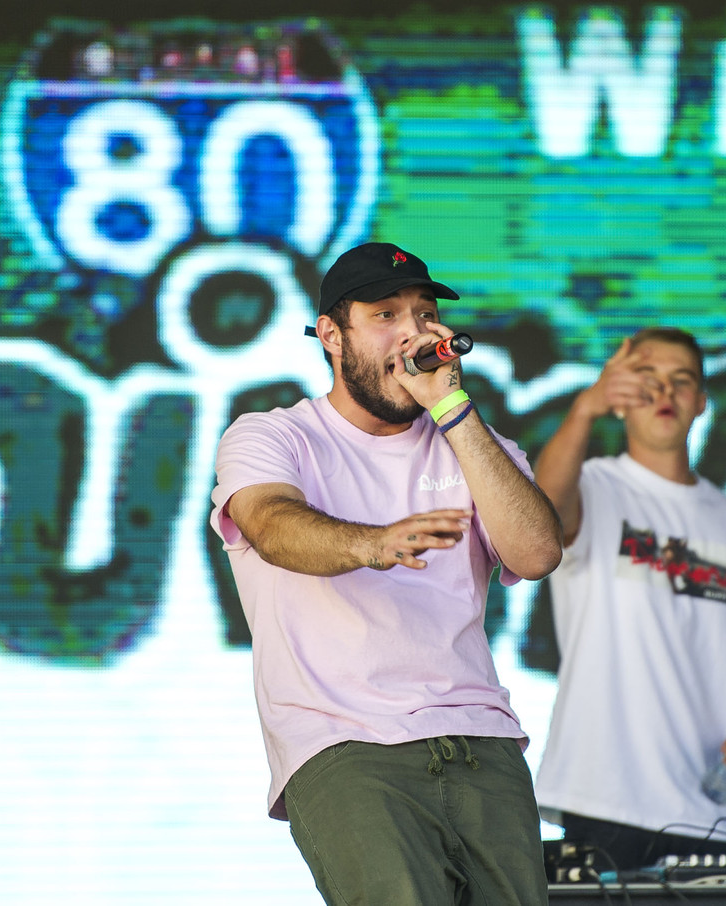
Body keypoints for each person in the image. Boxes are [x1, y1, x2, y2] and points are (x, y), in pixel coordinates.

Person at [209, 241, 564, 906]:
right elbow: (272, 524)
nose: (413, 331)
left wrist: (451, 407)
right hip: (347, 744)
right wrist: (374, 544)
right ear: (330, 336)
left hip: (482, 740)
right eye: (385, 315)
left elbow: (538, 552)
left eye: (424, 313)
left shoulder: (472, 441)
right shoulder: (273, 435)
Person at [531, 327, 726, 872]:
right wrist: (583, 410)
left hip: (708, 811)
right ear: (620, 401)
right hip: (603, 795)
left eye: (681, 381)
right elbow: (538, 520)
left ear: (700, 402)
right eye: (646, 381)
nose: (664, 394)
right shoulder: (596, 486)